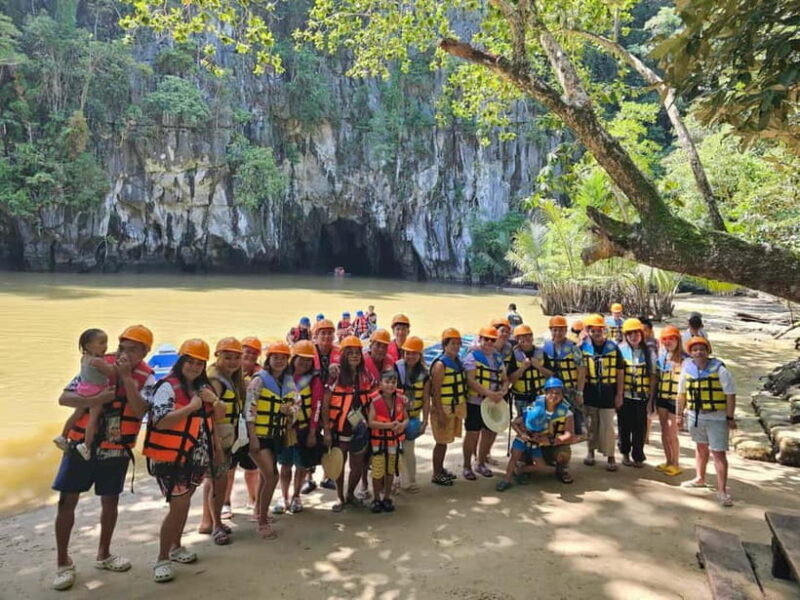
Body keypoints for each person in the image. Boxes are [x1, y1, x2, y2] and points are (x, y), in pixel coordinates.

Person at [52, 325, 155, 591]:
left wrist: (126, 378)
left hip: (116, 448)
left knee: (110, 501)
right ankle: (63, 562)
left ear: (146, 352)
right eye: (122, 347)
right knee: (66, 501)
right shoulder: (97, 366)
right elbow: (65, 398)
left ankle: (104, 554)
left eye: (133, 350)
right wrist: (99, 396)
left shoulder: (149, 378)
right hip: (80, 445)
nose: (125, 353)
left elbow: (141, 408)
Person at [144, 338, 221, 583]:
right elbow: (161, 420)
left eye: (200, 363)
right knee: (178, 505)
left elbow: (219, 416)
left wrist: (213, 401)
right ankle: (162, 558)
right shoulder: (167, 386)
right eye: (190, 361)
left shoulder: (203, 387)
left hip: (196, 456)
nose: (195, 367)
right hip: (171, 459)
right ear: (181, 361)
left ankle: (176, 547)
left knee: (185, 503)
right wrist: (192, 407)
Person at [245, 341, 297, 539]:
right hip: (258, 436)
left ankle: (258, 511)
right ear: (269, 359)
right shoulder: (259, 380)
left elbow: (297, 402)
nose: (279, 361)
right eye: (276, 357)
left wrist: (290, 410)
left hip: (276, 436)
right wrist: (252, 437)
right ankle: (262, 521)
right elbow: (250, 408)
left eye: (283, 358)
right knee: (272, 476)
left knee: (264, 476)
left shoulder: (288, 381)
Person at [677, 337, 737, 507]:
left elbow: (730, 394)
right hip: (696, 415)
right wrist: (678, 415)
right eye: (694, 349)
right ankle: (700, 478)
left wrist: (730, 417)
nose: (698, 352)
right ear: (690, 352)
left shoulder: (720, 369)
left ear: (708, 350)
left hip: (716, 416)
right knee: (700, 447)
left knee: (718, 453)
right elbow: (681, 394)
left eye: (702, 349)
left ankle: (722, 491)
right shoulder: (687, 368)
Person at [199, 337, 245, 545]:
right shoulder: (216, 381)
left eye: (236, 358)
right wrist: (216, 444)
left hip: (224, 439)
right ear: (218, 356)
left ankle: (208, 522)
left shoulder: (229, 378)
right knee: (219, 483)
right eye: (227, 357)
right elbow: (208, 415)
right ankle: (216, 526)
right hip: (217, 441)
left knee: (213, 482)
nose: (233, 362)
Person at [321, 335, 374, 511]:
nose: (354, 356)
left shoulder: (365, 375)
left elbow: (375, 396)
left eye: (357, 353)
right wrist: (327, 431)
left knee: (357, 466)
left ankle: (351, 493)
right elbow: (326, 403)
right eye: (350, 353)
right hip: (339, 428)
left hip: (360, 428)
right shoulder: (335, 376)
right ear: (343, 355)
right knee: (339, 463)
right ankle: (339, 497)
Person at [496, 377, 576, 491]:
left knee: (557, 456)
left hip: (546, 444)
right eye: (551, 392)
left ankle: (558, 470)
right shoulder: (535, 406)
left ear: (563, 394)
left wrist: (549, 440)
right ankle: (507, 479)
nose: (554, 396)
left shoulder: (566, 412)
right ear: (545, 392)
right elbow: (517, 422)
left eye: (558, 393)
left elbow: (570, 435)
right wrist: (522, 434)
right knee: (515, 457)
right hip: (526, 441)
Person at [54, 329, 118, 460]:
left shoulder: (84, 358)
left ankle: (63, 436)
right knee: (92, 419)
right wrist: (119, 365)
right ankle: (86, 446)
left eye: (106, 342)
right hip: (97, 391)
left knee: (76, 414)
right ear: (88, 346)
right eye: (101, 343)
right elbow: (111, 372)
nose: (105, 346)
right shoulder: (98, 361)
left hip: (83, 390)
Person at [276, 340, 323, 514]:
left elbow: (316, 406)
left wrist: (312, 432)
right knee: (285, 465)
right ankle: (284, 496)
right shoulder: (282, 376)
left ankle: (296, 496)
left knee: (301, 465)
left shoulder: (314, 380)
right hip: (285, 429)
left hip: (303, 429)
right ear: (293, 358)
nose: (304, 363)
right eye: (301, 359)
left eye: (308, 360)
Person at [463, 326, 508, 480]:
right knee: (472, 434)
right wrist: (488, 393)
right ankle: (467, 466)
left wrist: (503, 391)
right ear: (480, 339)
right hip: (475, 402)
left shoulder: (497, 358)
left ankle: (480, 463)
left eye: (492, 340)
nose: (489, 342)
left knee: (488, 433)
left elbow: (504, 379)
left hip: (492, 402)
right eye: (486, 339)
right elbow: (470, 380)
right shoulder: (472, 357)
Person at [580, 314, 624, 471]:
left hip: (607, 392)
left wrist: (619, 394)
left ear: (603, 330)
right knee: (591, 425)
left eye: (599, 330)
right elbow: (579, 370)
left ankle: (611, 456)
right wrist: (578, 393)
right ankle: (590, 452)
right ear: (588, 331)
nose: (597, 334)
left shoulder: (613, 347)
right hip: (590, 392)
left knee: (608, 426)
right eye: (593, 331)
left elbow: (620, 372)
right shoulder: (583, 348)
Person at [225, 336, 261, 519]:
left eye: (254, 353)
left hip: (248, 427)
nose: (250, 356)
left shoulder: (259, 375)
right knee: (229, 469)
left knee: (252, 468)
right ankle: (226, 503)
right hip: (230, 427)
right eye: (247, 351)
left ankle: (253, 500)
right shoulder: (227, 372)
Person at [429, 328, 468, 486]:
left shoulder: (457, 362)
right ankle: (436, 473)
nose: (456, 347)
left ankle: (440, 469)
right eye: (452, 344)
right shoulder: (440, 365)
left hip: (453, 407)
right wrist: (440, 414)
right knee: (441, 442)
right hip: (443, 409)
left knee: (445, 441)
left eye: (458, 344)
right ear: (445, 345)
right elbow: (435, 392)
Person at [367, 370, 408, 513]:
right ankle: (376, 498)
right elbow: (371, 422)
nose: (390, 385)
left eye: (393, 382)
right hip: (378, 443)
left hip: (394, 442)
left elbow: (406, 418)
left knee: (390, 470)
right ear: (381, 384)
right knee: (377, 472)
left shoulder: (401, 399)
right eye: (387, 382)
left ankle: (387, 497)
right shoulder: (375, 400)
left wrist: (403, 425)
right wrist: (389, 426)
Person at [617, 319, 657, 468]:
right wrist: (618, 396)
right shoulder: (620, 350)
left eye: (636, 333)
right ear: (626, 335)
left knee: (640, 428)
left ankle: (638, 455)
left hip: (642, 397)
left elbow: (652, 378)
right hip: (626, 396)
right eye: (630, 333)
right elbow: (618, 375)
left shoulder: (649, 353)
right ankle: (625, 453)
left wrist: (651, 400)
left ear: (641, 334)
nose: (633, 336)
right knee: (624, 426)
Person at [395, 336, 430, 493]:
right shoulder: (396, 369)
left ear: (420, 355)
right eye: (408, 353)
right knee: (394, 449)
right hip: (396, 417)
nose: (410, 357)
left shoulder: (424, 373)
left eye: (414, 354)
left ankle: (410, 480)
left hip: (414, 417)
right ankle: (396, 479)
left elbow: (426, 399)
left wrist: (425, 421)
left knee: (409, 449)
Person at [542, 316, 585, 435]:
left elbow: (582, 371)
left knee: (575, 424)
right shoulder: (545, 348)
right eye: (555, 330)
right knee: (554, 421)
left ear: (566, 331)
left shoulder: (573, 348)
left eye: (561, 330)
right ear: (550, 330)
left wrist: (580, 392)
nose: (558, 333)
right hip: (553, 391)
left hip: (571, 390)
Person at [655, 325, 687, 476]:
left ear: (677, 340)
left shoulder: (686, 360)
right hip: (662, 397)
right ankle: (668, 461)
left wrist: (684, 409)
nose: (668, 342)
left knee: (671, 432)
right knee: (663, 431)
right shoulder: (662, 357)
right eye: (665, 339)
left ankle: (676, 463)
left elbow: (687, 385)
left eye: (671, 338)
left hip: (676, 399)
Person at [507, 324, 549, 417]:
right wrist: (523, 368)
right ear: (517, 339)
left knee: (540, 424)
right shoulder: (513, 356)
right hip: (521, 397)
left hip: (540, 396)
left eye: (529, 335)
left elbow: (551, 375)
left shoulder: (541, 353)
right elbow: (511, 379)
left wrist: (539, 367)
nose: (526, 338)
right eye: (522, 336)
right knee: (523, 425)